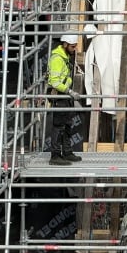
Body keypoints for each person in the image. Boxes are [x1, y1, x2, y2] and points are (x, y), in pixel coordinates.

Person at [47, 33, 82, 166]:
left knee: (67, 124)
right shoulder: (57, 58)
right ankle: (55, 155)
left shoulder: (65, 57)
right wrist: (70, 91)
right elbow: (55, 83)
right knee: (58, 126)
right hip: (59, 95)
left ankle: (67, 152)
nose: (74, 49)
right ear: (65, 44)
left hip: (64, 96)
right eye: (73, 46)